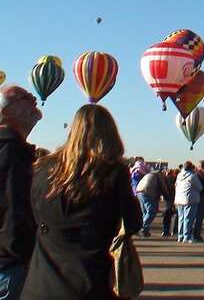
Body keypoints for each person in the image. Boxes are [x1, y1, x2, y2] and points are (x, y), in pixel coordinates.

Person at [21, 104, 142, 300]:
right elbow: (133, 222)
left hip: (41, 281)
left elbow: (29, 214)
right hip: (89, 280)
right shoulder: (114, 172)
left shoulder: (42, 168)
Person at [0, 86, 41, 300]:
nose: (35, 101)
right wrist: (21, 252)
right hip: (9, 265)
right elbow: (16, 208)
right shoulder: (12, 152)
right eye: (27, 98)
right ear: (6, 112)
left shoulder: (15, 149)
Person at [175, 161, 203, 244]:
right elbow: (200, 187)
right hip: (189, 199)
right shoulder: (192, 176)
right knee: (188, 219)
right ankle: (186, 236)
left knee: (181, 218)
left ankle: (180, 236)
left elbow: (176, 185)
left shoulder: (179, 175)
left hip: (179, 199)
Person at [134, 164, 162, 237]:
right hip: (146, 192)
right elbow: (163, 188)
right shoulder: (158, 176)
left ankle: (143, 229)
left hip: (139, 191)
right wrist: (167, 197)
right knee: (151, 211)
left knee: (144, 212)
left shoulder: (148, 175)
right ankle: (143, 229)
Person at [161, 168, 177, 237]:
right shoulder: (173, 179)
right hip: (172, 198)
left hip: (166, 198)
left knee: (167, 215)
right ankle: (172, 230)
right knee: (172, 215)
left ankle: (165, 230)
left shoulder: (164, 179)